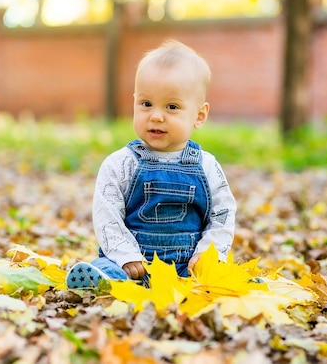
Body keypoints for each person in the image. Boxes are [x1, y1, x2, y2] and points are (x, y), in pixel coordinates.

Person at [66, 39, 236, 289]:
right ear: (135, 101)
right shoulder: (122, 164)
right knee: (109, 268)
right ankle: (101, 279)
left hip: (187, 266)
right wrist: (125, 255)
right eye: (146, 104)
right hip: (133, 264)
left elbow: (222, 213)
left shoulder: (206, 166)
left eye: (172, 106)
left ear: (199, 115)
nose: (156, 115)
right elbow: (107, 215)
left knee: (216, 280)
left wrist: (208, 254)